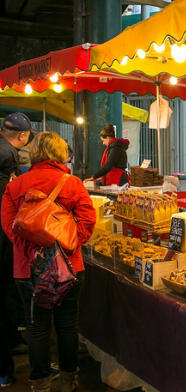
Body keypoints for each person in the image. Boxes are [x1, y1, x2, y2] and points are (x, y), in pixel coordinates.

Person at [1, 132, 96, 392]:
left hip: (27, 268)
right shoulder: (72, 183)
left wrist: (32, 245)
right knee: (67, 324)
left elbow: (10, 228)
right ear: (60, 153)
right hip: (69, 267)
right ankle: (68, 379)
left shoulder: (15, 186)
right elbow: (87, 223)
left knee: (37, 327)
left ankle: (39, 383)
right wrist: (68, 243)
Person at [0, 112, 32, 389]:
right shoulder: (8, 156)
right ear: (23, 136)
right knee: (5, 287)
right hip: (2, 233)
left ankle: (11, 339)